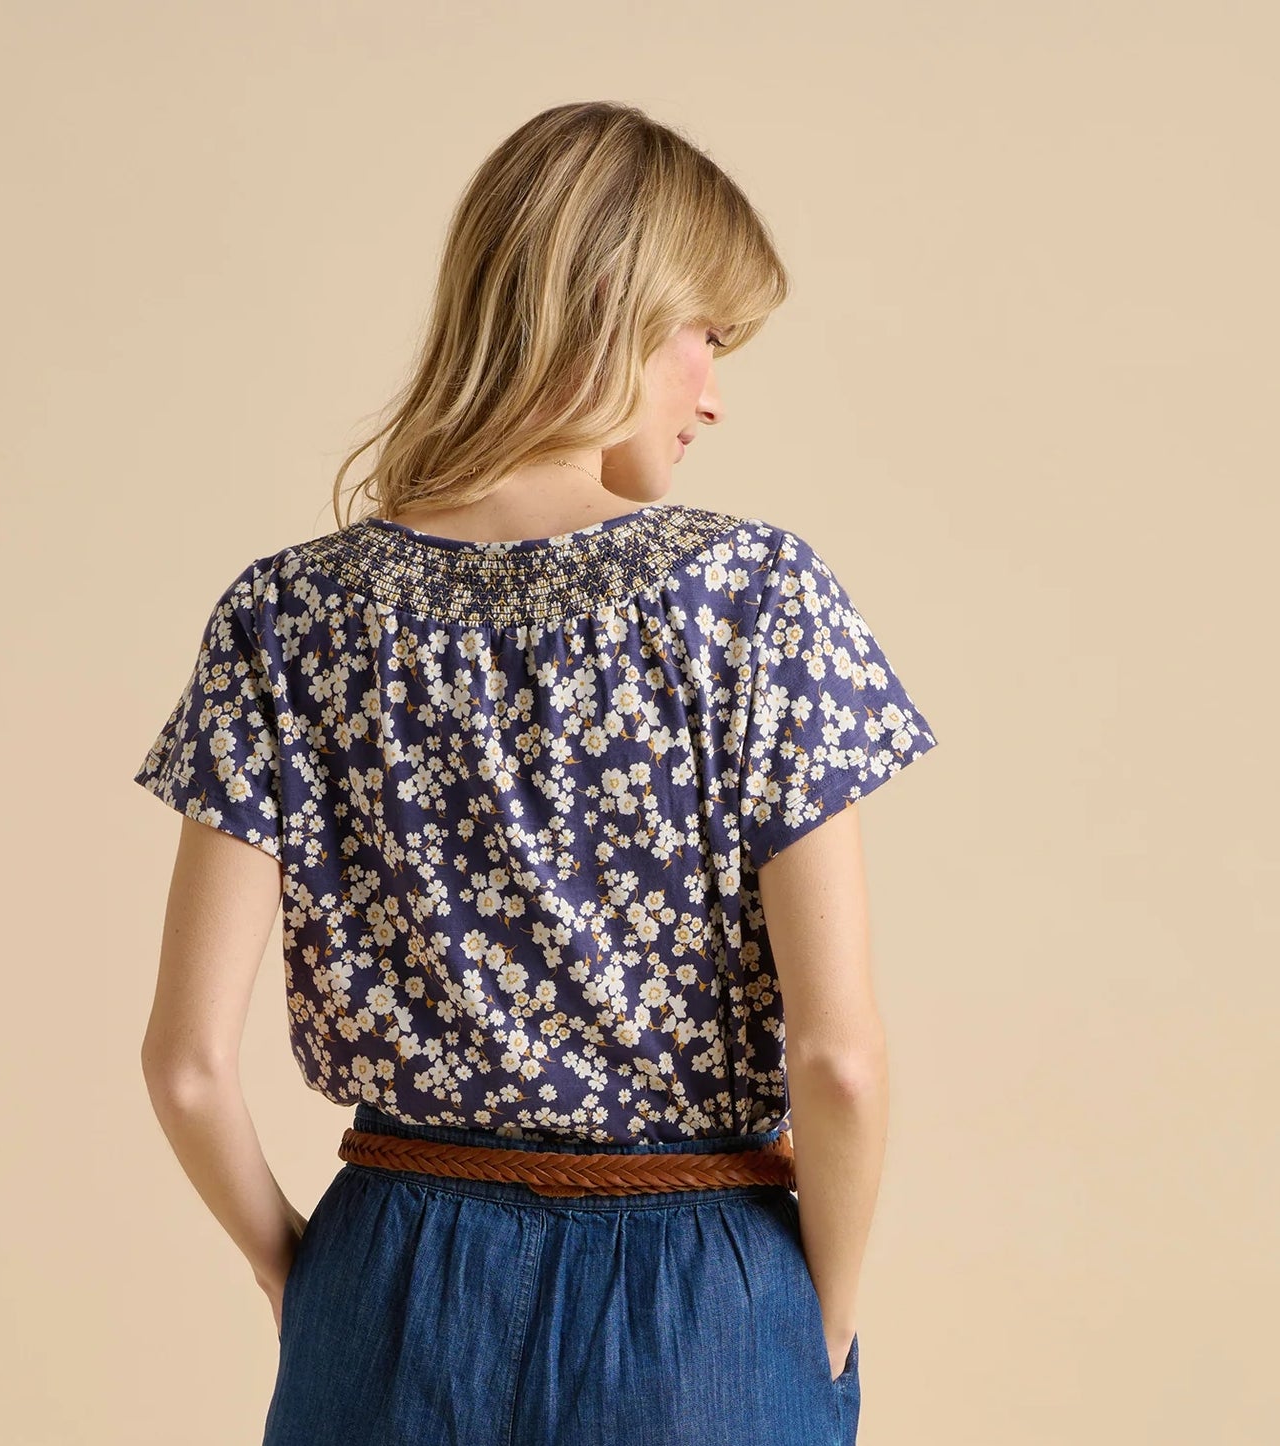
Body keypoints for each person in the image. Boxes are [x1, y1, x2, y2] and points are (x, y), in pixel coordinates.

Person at [133, 100, 938, 1446]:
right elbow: (838, 1061)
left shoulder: (285, 615)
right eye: (705, 335)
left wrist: (301, 1279)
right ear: (615, 313)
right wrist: (829, 1315)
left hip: (387, 1271)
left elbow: (185, 1066)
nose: (714, 393)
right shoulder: (754, 598)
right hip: (700, 1289)